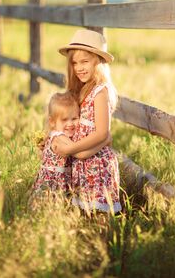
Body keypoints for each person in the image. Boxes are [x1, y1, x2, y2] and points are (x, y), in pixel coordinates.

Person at [53, 29, 122, 215]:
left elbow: (102, 134)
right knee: (84, 212)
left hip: (98, 166)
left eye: (85, 61)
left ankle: (105, 243)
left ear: (98, 62)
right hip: (83, 164)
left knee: (100, 214)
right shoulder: (83, 89)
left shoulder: (100, 92)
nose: (79, 68)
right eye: (75, 63)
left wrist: (71, 150)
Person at [30, 91, 109, 206]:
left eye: (74, 118)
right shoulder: (59, 138)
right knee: (48, 210)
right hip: (51, 186)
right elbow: (81, 155)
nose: (70, 123)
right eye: (64, 120)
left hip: (59, 184)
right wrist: (104, 140)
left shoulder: (56, 134)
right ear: (52, 122)